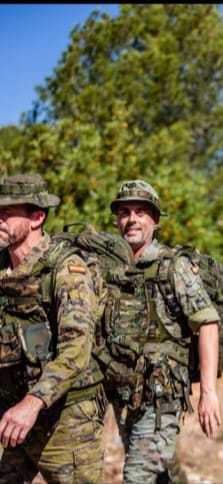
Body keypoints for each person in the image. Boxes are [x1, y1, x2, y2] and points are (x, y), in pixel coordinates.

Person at [108, 179, 221, 483]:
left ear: (155, 220)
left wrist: (208, 393)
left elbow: (208, 323)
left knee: (138, 476)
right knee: (160, 475)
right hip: (126, 396)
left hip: (163, 398)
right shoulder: (113, 270)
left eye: (141, 212)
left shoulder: (174, 267)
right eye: (124, 212)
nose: (131, 219)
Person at [0, 173, 105, 482]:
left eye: (6, 211)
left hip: (67, 421)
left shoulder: (66, 270)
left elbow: (76, 352)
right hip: (15, 414)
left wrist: (31, 404)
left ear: (37, 217)